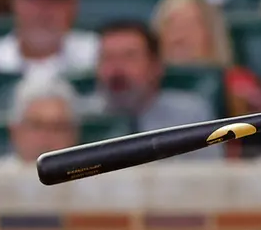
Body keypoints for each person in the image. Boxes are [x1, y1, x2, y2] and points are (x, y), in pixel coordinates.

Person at [151, 0, 261, 159]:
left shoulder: (239, 82)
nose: (180, 36)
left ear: (211, 34)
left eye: (191, 25)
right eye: (171, 24)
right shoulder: (143, 86)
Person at [83, 20, 221, 160]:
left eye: (129, 57)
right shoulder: (80, 117)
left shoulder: (190, 117)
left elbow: (212, 173)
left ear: (155, 67)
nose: (117, 69)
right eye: (108, 58)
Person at [0, 73, 79, 170]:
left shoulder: (92, 178)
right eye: (37, 126)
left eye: (58, 128)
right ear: (15, 131)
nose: (47, 137)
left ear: (74, 133)